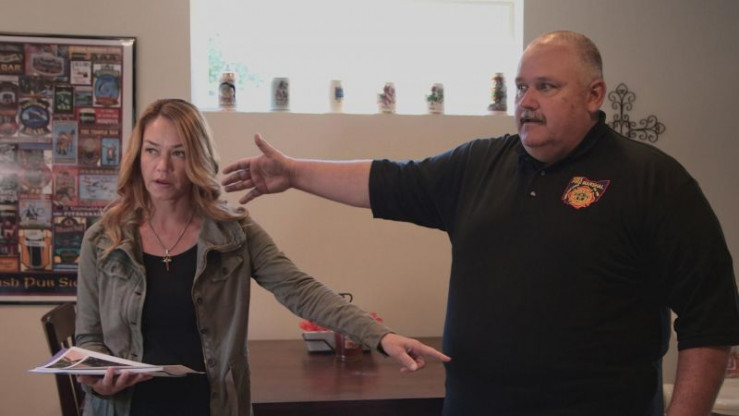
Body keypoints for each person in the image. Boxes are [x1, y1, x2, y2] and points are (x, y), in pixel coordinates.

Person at [221, 31, 739, 415]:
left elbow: (710, 319)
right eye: (520, 87)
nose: (526, 102)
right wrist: (293, 173)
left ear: (594, 94)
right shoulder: (479, 165)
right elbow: (386, 181)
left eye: (545, 87)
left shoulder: (653, 181)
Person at [74, 98, 449, 416]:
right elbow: (89, 338)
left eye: (179, 153)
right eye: (152, 150)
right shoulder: (102, 240)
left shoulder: (232, 232)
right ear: (137, 155)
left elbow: (300, 290)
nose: (162, 167)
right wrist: (97, 381)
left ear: (197, 159)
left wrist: (380, 336)